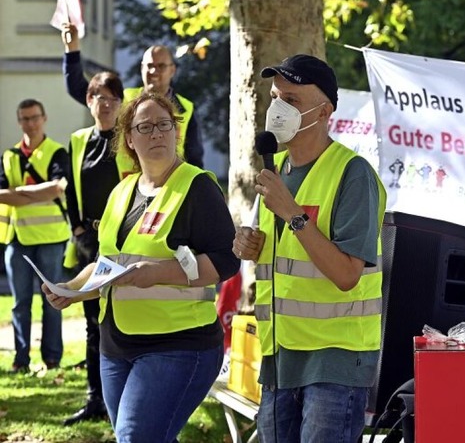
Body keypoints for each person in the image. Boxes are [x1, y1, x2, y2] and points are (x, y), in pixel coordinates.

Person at [43, 92, 239, 442]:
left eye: (164, 125)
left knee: (136, 438)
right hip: (115, 348)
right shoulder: (121, 191)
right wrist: (72, 289)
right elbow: (107, 262)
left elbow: (226, 261)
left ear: (176, 132)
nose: (156, 134)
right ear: (129, 139)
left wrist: (156, 273)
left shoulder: (197, 187)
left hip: (179, 346)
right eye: (145, 127)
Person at [233, 54, 387, 443]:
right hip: (279, 357)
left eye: (292, 100)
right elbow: (285, 258)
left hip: (334, 361)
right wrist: (252, 246)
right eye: (275, 97)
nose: (278, 109)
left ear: (324, 112)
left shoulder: (353, 174)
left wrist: (294, 214)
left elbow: (347, 274)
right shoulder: (276, 172)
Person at [61, 71, 133, 426]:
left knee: (118, 320)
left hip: (123, 243)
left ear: (120, 103)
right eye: (96, 98)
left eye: (110, 98)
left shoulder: (130, 140)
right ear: (88, 102)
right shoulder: (77, 140)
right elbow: (70, 189)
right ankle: (95, 399)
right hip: (89, 243)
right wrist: (76, 228)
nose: (103, 105)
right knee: (92, 324)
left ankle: (120, 398)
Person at [60, 22, 204, 168]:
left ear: (172, 70)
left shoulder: (186, 109)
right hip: (131, 183)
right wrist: (72, 50)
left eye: (161, 66)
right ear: (142, 68)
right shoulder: (125, 99)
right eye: (150, 66)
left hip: (170, 184)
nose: (154, 71)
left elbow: (194, 159)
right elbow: (79, 89)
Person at [0, 99, 70, 373]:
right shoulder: (9, 155)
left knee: (52, 299)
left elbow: (56, 189)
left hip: (51, 237)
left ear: (44, 118)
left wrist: (18, 194)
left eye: (34, 117)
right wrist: (35, 192)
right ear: (19, 121)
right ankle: (21, 360)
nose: (30, 123)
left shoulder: (57, 152)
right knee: (20, 304)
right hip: (17, 239)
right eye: (25, 118)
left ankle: (52, 359)